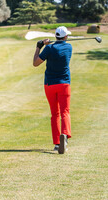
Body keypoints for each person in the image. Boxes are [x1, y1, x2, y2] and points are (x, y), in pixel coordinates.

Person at [33, 26, 72, 154]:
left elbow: (35, 63)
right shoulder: (69, 47)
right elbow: (61, 46)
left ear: (56, 36)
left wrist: (39, 46)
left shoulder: (49, 48)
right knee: (65, 111)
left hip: (49, 85)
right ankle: (64, 135)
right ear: (65, 37)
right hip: (64, 84)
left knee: (55, 113)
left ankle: (56, 143)